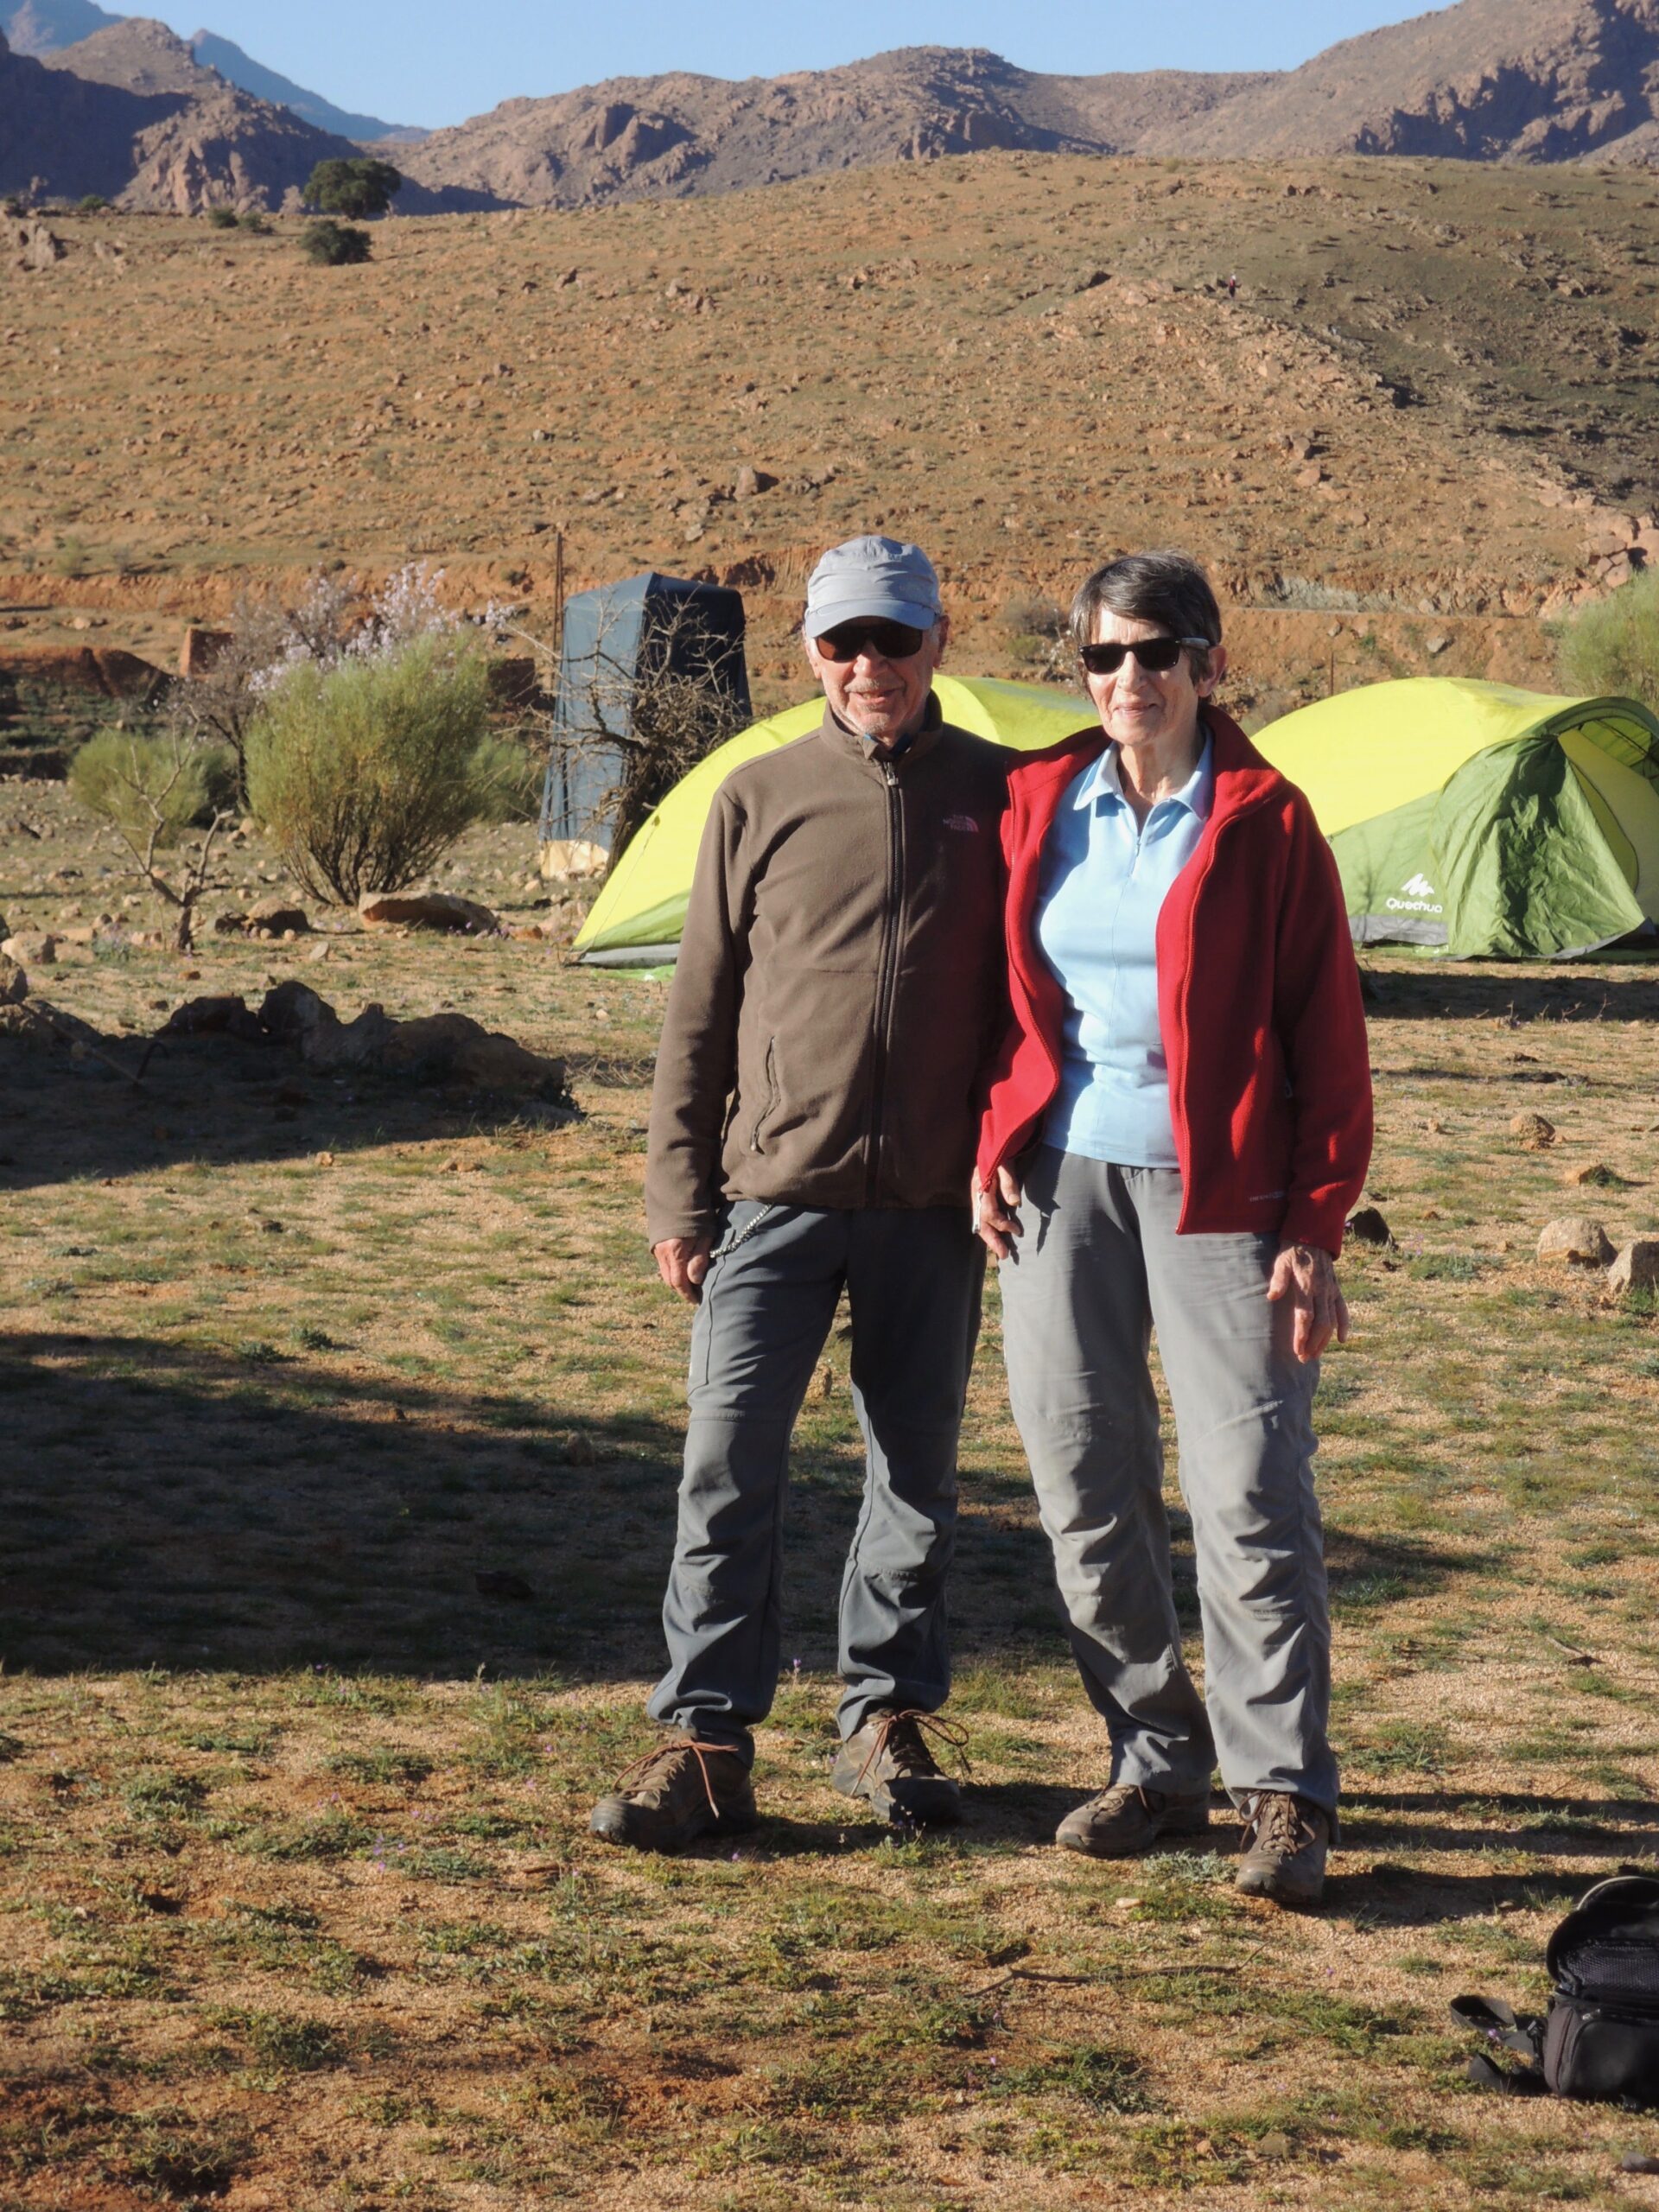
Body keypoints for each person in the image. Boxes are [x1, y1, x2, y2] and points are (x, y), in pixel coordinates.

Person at [591, 535, 1011, 1853]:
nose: (869, 667)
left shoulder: (1005, 797)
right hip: (772, 1198)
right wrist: (678, 1193)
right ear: (811, 654)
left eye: (894, 639)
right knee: (726, 1468)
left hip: (934, 1208)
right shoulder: (755, 795)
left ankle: (884, 1722)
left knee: (917, 1475)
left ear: (940, 640)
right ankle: (709, 1740)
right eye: (843, 644)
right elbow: (697, 1017)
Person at [974, 551, 1371, 1908]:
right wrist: (993, 1142)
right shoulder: (1041, 798)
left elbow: (1329, 1040)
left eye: (1157, 654)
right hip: (1061, 1183)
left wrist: (1313, 1222)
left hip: (1227, 1199)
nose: (1129, 681)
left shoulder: (1267, 819)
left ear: (1210, 664)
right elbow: (1002, 1007)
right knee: (1082, 1481)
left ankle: (1284, 1799)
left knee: (1248, 1490)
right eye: (1103, 658)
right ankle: (1154, 1762)